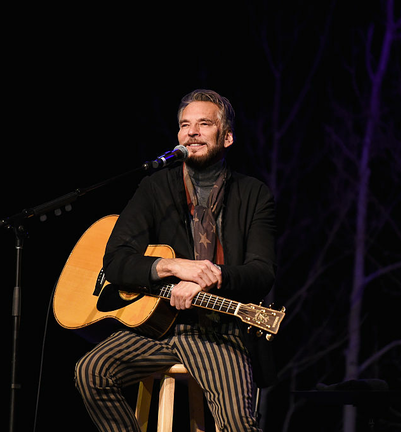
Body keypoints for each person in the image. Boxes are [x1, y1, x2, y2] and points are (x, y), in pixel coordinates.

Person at [75, 89, 277, 431]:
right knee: (90, 372)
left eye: (203, 124)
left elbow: (261, 273)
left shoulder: (253, 194)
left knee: (239, 425)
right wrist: (170, 267)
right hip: (157, 328)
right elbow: (117, 260)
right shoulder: (155, 187)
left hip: (217, 332)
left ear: (226, 137)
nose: (192, 132)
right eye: (185, 125)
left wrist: (209, 276)